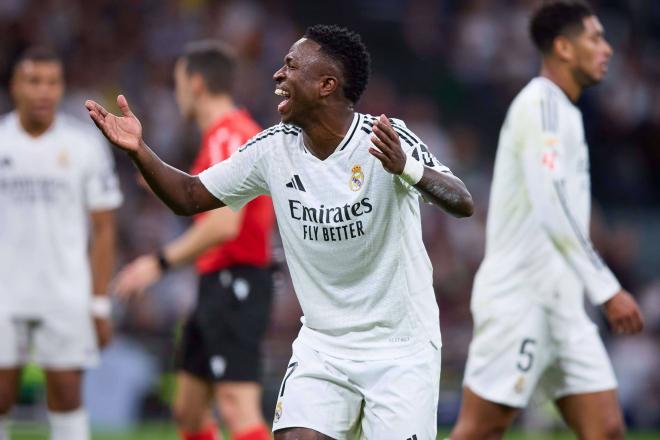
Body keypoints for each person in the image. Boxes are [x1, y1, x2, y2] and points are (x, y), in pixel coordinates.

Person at [86, 24, 474, 440]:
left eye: (291, 66)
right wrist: (139, 151)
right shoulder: (273, 148)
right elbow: (189, 195)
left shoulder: (383, 139)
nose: (277, 75)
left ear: (327, 84)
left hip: (400, 347)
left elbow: (462, 201)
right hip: (324, 345)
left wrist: (406, 168)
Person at [450, 2, 644, 439]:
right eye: (595, 38)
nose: (607, 49)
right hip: (521, 298)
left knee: (607, 428)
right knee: (482, 428)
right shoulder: (542, 106)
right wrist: (607, 288)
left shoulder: (566, 112)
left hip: (562, 303)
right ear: (563, 47)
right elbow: (551, 203)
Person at [113, 41, 274, 440]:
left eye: (178, 82)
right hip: (217, 284)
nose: (177, 92)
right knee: (188, 408)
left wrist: (157, 263)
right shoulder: (227, 136)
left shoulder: (227, 137)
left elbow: (223, 226)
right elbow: (210, 204)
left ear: (197, 83)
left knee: (237, 406)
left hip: (235, 281)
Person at [0, 47, 122, 440]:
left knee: (67, 394)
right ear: (14, 86)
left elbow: (104, 227)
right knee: (0, 395)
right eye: (34, 81)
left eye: (52, 83)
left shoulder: (85, 145)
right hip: (4, 290)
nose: (43, 92)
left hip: (65, 291)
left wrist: (99, 302)